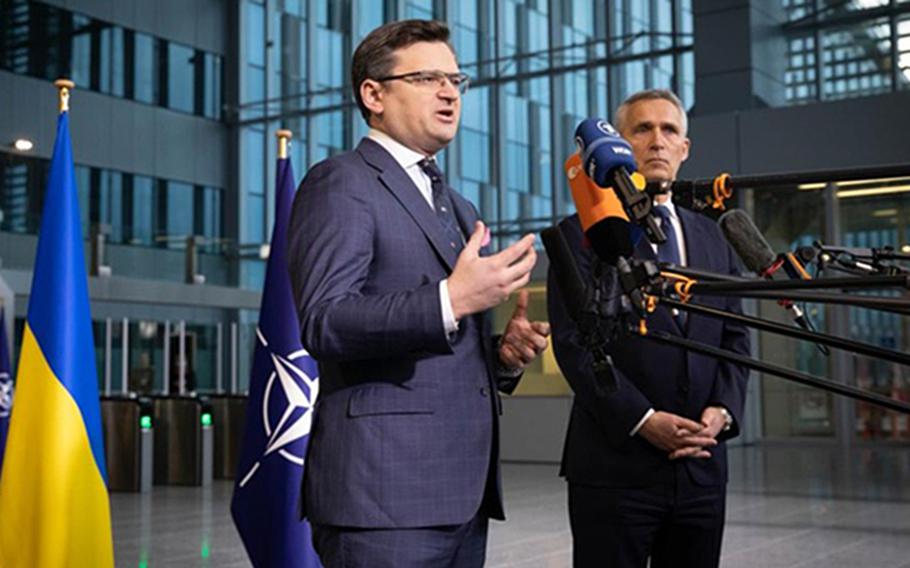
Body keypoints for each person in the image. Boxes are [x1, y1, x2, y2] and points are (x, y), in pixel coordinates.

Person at [288, 19, 551, 567]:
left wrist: (502, 356)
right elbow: (325, 321)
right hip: (382, 500)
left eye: (457, 79)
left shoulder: (459, 206)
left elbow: (451, 347)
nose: (450, 91)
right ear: (374, 94)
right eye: (429, 77)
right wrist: (450, 300)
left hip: (463, 495)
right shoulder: (341, 182)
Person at [547, 89, 750, 568]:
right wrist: (644, 421)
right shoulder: (579, 235)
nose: (657, 141)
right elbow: (575, 347)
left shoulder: (714, 237)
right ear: (619, 144)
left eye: (669, 130)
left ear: (685, 148)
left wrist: (722, 411)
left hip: (702, 469)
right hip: (615, 469)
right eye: (642, 129)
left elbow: (736, 335)